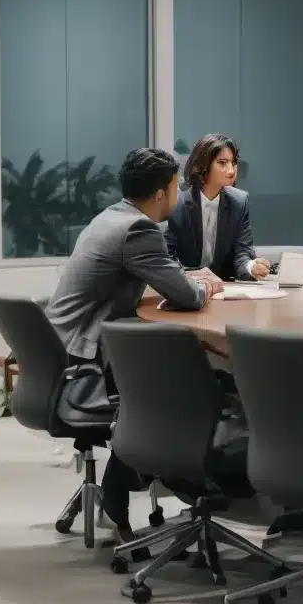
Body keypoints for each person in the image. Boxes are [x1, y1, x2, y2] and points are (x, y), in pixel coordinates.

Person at [46, 149, 225, 526]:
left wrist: (186, 279)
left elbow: (165, 275)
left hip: (67, 348)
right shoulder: (138, 230)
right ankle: (187, 482)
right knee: (187, 387)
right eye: (175, 186)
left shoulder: (111, 217)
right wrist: (207, 286)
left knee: (165, 379)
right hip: (86, 361)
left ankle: (133, 491)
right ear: (161, 193)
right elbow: (188, 295)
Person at [165, 134, 271, 281]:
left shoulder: (239, 202)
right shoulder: (176, 200)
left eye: (233, 163)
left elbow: (242, 253)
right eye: (222, 163)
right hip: (183, 288)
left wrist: (250, 266)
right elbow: (166, 259)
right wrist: (194, 277)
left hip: (223, 289)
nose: (231, 171)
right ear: (202, 165)